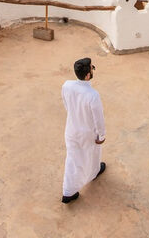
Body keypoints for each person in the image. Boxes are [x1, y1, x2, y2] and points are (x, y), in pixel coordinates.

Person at [61, 57, 106, 204]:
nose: (93, 69)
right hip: (87, 133)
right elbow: (98, 119)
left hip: (71, 129)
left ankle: (69, 191)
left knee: (73, 159)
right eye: (92, 68)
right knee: (92, 152)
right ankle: (69, 191)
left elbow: (66, 104)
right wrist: (101, 135)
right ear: (87, 75)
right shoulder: (93, 95)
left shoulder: (66, 85)